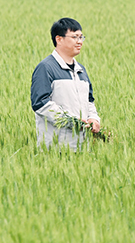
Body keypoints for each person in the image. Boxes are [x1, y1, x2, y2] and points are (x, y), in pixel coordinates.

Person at [31, 18, 101, 151]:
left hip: (83, 147)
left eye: (81, 37)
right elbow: (40, 104)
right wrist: (71, 122)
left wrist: (93, 118)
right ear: (59, 39)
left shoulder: (81, 70)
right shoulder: (46, 68)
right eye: (74, 37)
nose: (79, 41)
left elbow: (89, 101)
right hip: (56, 147)